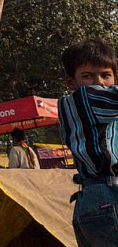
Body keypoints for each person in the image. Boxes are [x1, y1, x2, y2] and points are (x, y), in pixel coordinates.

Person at [57, 39, 118, 245]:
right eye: (88, 76)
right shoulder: (86, 98)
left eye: (105, 75)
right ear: (71, 82)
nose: (99, 82)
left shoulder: (76, 105)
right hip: (108, 196)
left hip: (92, 199)